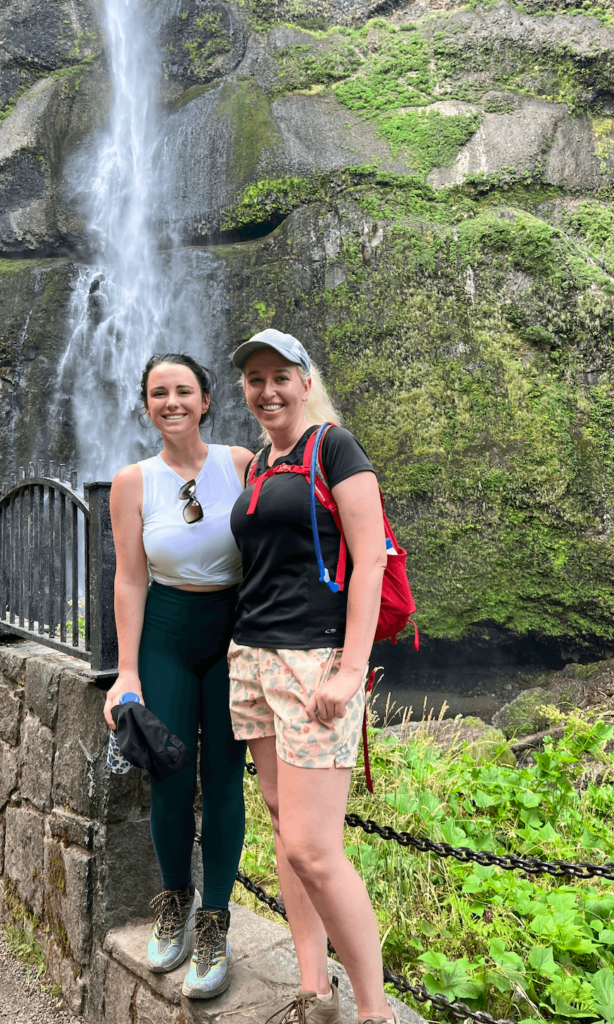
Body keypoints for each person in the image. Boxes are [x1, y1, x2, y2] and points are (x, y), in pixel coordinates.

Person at [227, 329, 397, 1024]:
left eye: (279, 376)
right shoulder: (258, 465)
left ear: (304, 381)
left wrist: (350, 668)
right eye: (253, 378)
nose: (266, 390)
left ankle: (374, 1010)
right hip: (253, 657)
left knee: (313, 847)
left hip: (313, 661)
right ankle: (312, 987)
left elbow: (372, 557)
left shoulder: (335, 448)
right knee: (279, 821)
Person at [105, 353, 251, 999]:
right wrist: (126, 671)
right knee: (170, 771)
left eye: (183, 391)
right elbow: (130, 578)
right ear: (147, 406)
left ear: (206, 399)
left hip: (231, 630)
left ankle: (214, 920)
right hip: (165, 631)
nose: (172, 402)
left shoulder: (241, 465)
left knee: (222, 778)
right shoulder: (131, 482)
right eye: (158, 393)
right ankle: (174, 901)